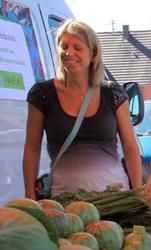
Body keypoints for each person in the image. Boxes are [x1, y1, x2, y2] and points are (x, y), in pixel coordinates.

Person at [23, 20, 141, 199]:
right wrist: (30, 196)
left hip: (114, 200)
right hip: (63, 203)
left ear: (93, 53)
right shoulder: (42, 94)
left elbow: (131, 146)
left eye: (77, 47)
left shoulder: (113, 93)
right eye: (64, 46)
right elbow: (32, 148)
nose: (69, 53)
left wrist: (138, 192)